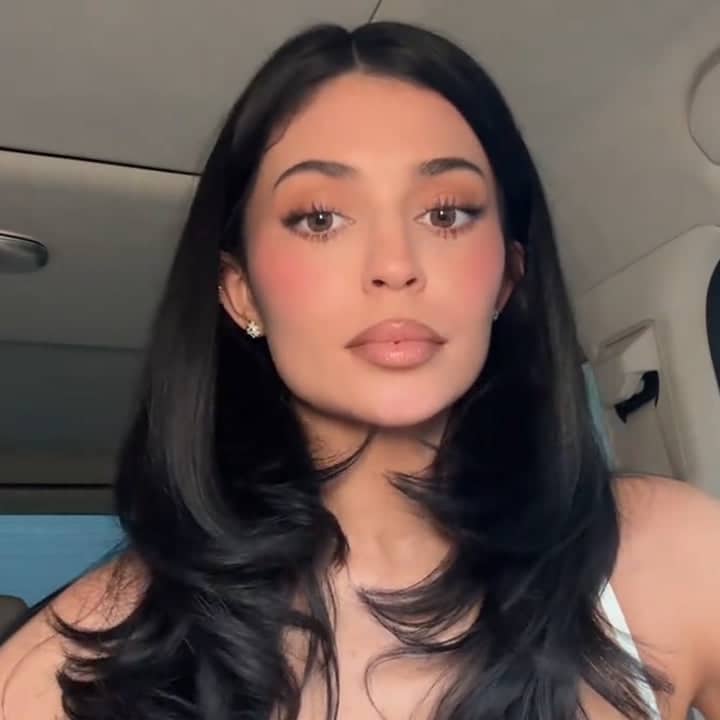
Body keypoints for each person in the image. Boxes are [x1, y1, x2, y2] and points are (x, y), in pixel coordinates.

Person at [0, 20, 718, 720]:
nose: (395, 266)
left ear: (507, 275)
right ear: (241, 291)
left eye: (446, 213)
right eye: (320, 219)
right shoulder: (61, 675)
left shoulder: (674, 554)